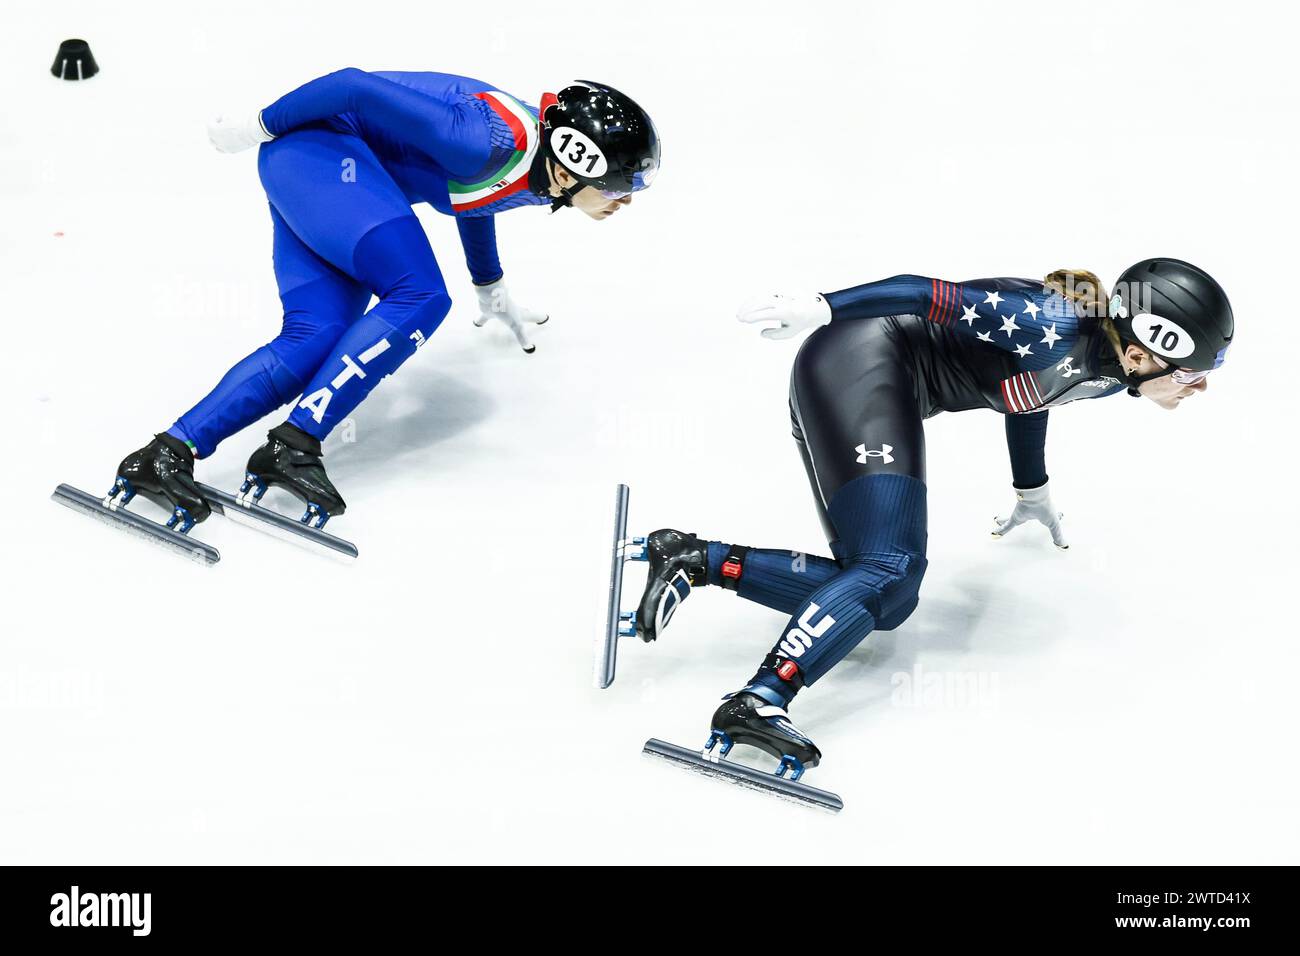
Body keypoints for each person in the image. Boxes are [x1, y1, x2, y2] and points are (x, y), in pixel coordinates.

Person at [633, 259, 1233, 776]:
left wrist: (1032, 488)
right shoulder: (1047, 323)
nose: (1199, 388)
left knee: (887, 599)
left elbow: (1033, 395)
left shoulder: (1111, 369)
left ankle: (692, 560)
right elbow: (929, 293)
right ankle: (760, 700)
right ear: (1139, 351)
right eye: (1191, 373)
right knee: (889, 568)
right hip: (858, 356)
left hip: (884, 382)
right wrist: (823, 306)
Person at [110, 71, 659, 531]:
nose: (624, 200)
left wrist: (489, 285)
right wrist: (253, 126)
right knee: (420, 295)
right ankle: (294, 445)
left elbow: (478, 197)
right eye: (618, 185)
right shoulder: (481, 139)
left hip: (317, 167)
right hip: (318, 156)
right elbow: (353, 87)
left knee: (316, 337)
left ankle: (165, 454)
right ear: (573, 165)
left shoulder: (536, 166)